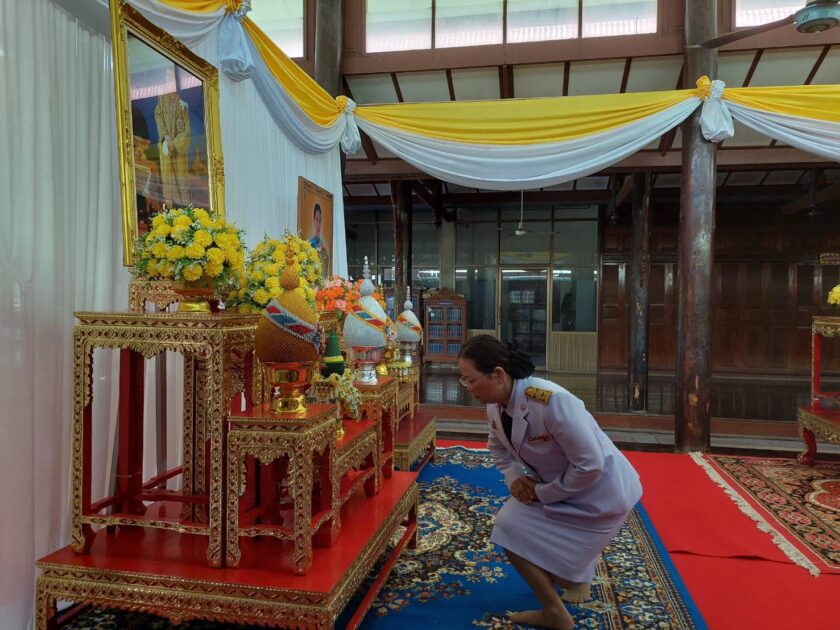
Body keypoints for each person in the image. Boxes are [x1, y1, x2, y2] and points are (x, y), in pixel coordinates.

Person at [458, 335, 642, 630]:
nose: (467, 388)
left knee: (522, 539)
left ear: (499, 374)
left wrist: (542, 492)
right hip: (560, 486)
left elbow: (590, 465)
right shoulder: (495, 405)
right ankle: (563, 595)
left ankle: (565, 592)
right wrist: (515, 478)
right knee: (510, 525)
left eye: (470, 380)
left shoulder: (551, 401)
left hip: (601, 495)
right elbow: (497, 447)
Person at [308, 203, 330, 274]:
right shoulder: (309, 243)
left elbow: (326, 265)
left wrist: (324, 255)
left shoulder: (322, 243)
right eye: (316, 219)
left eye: (320, 220)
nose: (318, 224)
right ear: (313, 220)